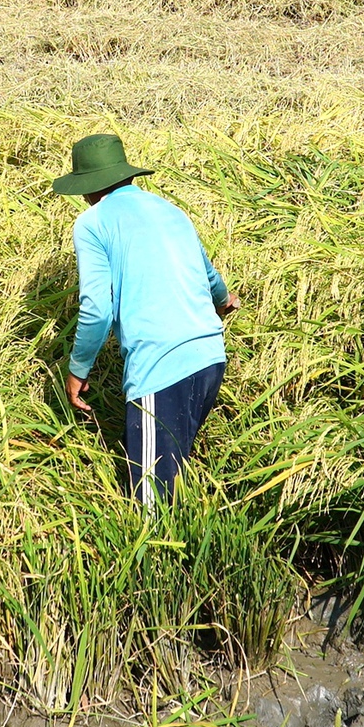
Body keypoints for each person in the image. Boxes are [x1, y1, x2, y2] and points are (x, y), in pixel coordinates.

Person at [55, 133, 239, 505]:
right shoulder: (169, 209)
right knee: (175, 484)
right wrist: (224, 301)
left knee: (151, 505)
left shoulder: (91, 223)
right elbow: (209, 276)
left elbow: (96, 307)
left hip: (160, 366)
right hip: (210, 356)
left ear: (86, 187)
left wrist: (77, 369)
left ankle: (158, 563)